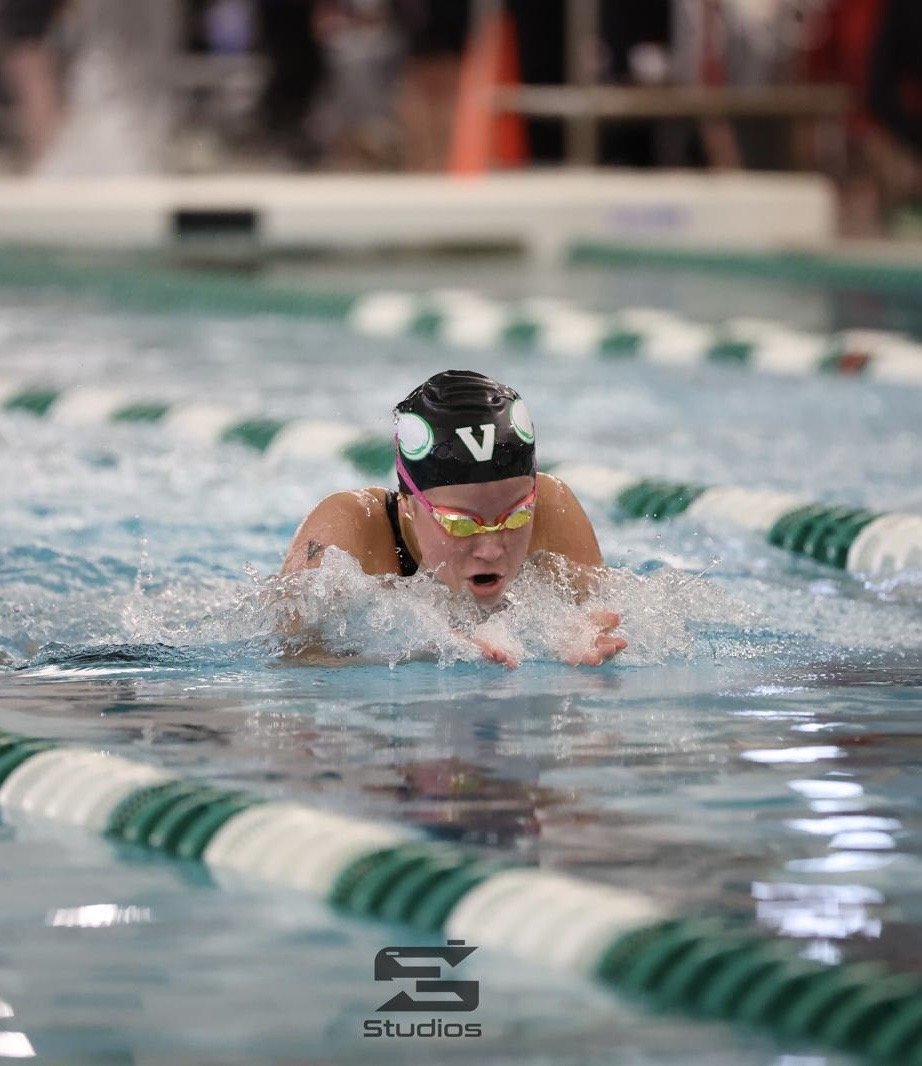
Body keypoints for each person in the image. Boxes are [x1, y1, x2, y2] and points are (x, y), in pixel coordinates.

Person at [281, 369, 626, 667]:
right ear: (407, 504)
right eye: (461, 522)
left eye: (516, 516)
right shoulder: (346, 534)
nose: (491, 549)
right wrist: (422, 650)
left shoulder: (553, 508)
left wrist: (575, 632)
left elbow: (599, 612)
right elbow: (291, 657)